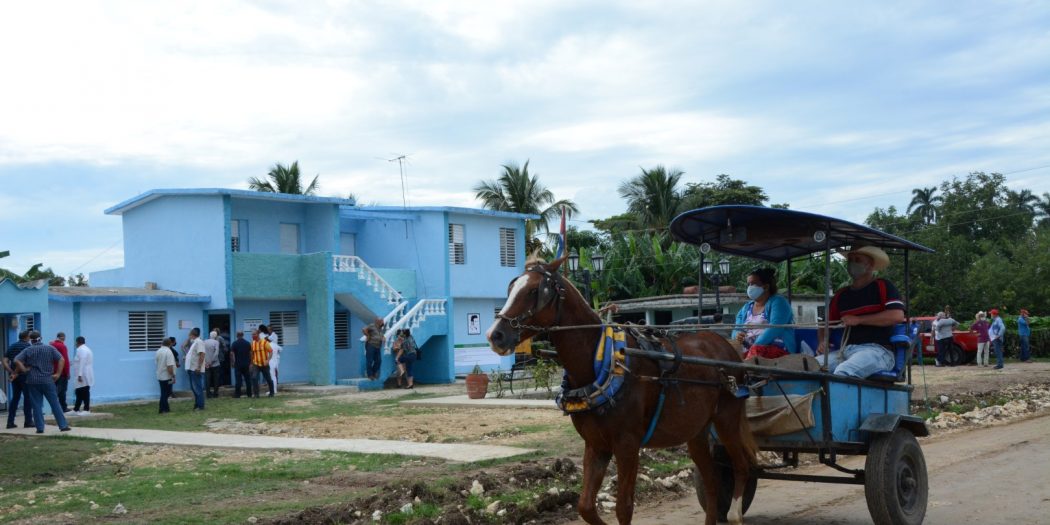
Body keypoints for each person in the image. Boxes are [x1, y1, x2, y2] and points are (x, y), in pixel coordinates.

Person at [818, 246, 905, 378]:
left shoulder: (883, 286)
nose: (852, 263)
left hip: (879, 351)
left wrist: (859, 320)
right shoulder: (841, 295)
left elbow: (896, 316)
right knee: (809, 366)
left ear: (870, 265)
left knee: (844, 371)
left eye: (857, 259)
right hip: (845, 351)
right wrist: (822, 341)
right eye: (850, 259)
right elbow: (825, 324)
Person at [731, 267, 796, 359]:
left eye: (753, 284)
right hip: (749, 350)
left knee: (755, 352)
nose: (749, 287)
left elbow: (775, 328)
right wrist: (737, 335)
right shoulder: (746, 308)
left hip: (778, 349)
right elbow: (736, 328)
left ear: (765, 287)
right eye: (748, 284)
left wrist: (754, 347)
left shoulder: (778, 302)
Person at [13, 331, 71, 433]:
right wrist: (58, 374)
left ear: (31, 339)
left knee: (36, 405)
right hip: (48, 380)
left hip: (32, 381)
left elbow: (16, 360)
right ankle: (63, 426)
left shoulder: (28, 350)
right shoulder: (50, 348)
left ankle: (40, 428)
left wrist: (24, 370)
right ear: (41, 338)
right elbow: (61, 359)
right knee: (55, 403)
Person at [4, 330, 34, 428]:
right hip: (24, 375)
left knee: (15, 398)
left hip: (14, 377)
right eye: (29, 336)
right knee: (27, 398)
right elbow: (20, 361)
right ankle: (28, 421)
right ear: (26, 337)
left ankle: (10, 422)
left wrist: (11, 371)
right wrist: (16, 372)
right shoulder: (28, 347)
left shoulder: (12, 346)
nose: (30, 338)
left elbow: (4, 361)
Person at [184, 328, 207, 410]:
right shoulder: (194, 342)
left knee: (197, 388)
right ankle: (197, 404)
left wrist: (199, 366)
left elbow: (202, 354)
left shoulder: (199, 342)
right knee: (194, 388)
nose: (189, 335)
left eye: (190, 334)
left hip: (195, 369)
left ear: (192, 334)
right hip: (191, 368)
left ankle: (200, 406)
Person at [71, 336, 94, 414]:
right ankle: (76, 409)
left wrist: (80, 375)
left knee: (84, 391)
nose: (75, 344)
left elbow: (82, 362)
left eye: (75, 342)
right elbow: (76, 361)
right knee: (79, 391)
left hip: (83, 373)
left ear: (77, 342)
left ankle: (86, 409)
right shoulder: (85, 349)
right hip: (83, 373)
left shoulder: (81, 350)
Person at [50, 332, 71, 413]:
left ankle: (53, 407)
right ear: (62, 337)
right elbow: (65, 360)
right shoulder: (62, 346)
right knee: (62, 391)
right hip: (61, 372)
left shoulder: (51, 345)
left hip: (52, 372)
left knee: (53, 390)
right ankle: (63, 407)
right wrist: (67, 372)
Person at [250, 330, 275, 397]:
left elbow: (271, 351)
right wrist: (251, 363)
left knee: (268, 379)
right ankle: (256, 394)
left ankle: (272, 393)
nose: (252, 336)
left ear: (258, 334)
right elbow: (252, 353)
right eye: (252, 334)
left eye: (254, 334)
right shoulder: (252, 343)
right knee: (254, 378)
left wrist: (268, 360)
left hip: (264, 364)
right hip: (256, 364)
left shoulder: (264, 342)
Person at [155, 338, 177, 413]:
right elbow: (169, 366)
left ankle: (165, 408)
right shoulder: (169, 352)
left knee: (164, 392)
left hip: (160, 375)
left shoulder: (158, 351)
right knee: (167, 393)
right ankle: (163, 409)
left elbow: (156, 363)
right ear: (170, 344)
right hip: (167, 376)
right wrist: (173, 375)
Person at [230, 331, 254, 398]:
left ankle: (237, 395)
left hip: (238, 364)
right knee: (248, 380)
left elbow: (231, 354)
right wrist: (251, 363)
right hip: (246, 364)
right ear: (243, 335)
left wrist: (232, 363)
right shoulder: (247, 343)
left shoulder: (234, 343)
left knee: (238, 380)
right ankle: (249, 394)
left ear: (237, 335)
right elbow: (251, 354)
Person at [259, 324, 282, 394]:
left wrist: (262, 336)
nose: (267, 330)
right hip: (271, 356)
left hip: (274, 357)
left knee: (273, 374)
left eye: (268, 329)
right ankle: (273, 389)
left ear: (271, 330)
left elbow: (267, 340)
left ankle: (274, 389)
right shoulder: (268, 337)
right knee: (272, 374)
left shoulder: (273, 336)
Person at [204, 331, 222, 398]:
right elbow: (216, 353)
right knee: (216, 379)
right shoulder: (216, 342)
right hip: (215, 364)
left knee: (207, 379)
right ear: (216, 336)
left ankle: (208, 394)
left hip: (206, 364)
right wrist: (212, 361)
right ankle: (215, 393)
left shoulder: (204, 341)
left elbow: (203, 353)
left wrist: (206, 362)